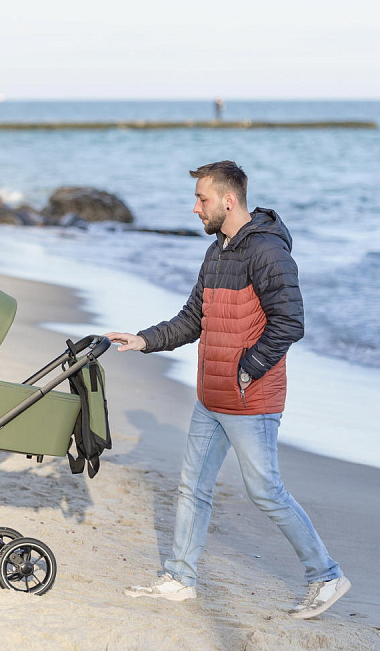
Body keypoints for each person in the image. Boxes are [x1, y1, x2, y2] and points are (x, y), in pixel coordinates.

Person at [106, 161, 350, 619]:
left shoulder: (268, 251)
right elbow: (191, 319)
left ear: (229, 200)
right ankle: (180, 579)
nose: (195, 208)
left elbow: (290, 322)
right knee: (192, 487)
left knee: (266, 492)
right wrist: (143, 340)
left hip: (249, 399)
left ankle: (326, 575)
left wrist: (247, 370)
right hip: (211, 398)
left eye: (202, 199)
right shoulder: (216, 251)